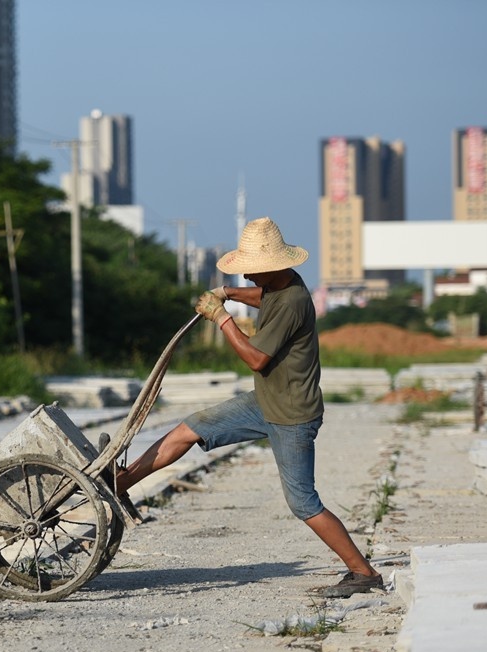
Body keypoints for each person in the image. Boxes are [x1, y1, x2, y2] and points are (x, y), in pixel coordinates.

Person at [116, 218, 382, 598]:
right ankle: (117, 484)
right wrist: (227, 292)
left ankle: (364, 572)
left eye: (251, 269)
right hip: (265, 401)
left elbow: (257, 360)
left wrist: (221, 318)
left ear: (273, 265)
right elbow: (262, 298)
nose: (247, 274)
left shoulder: (292, 300)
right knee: (188, 429)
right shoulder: (280, 284)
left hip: (291, 413)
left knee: (303, 503)